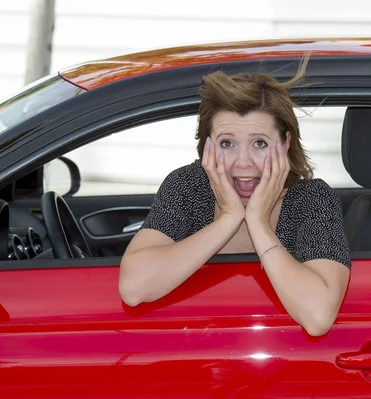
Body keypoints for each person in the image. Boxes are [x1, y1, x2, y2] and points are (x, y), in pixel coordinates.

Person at [119, 58, 351, 337]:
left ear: (285, 144)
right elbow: (134, 288)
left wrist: (258, 222)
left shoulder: (312, 199)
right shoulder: (188, 186)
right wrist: (229, 218)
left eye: (260, 144)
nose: (243, 163)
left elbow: (317, 316)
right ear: (207, 146)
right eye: (227, 143)